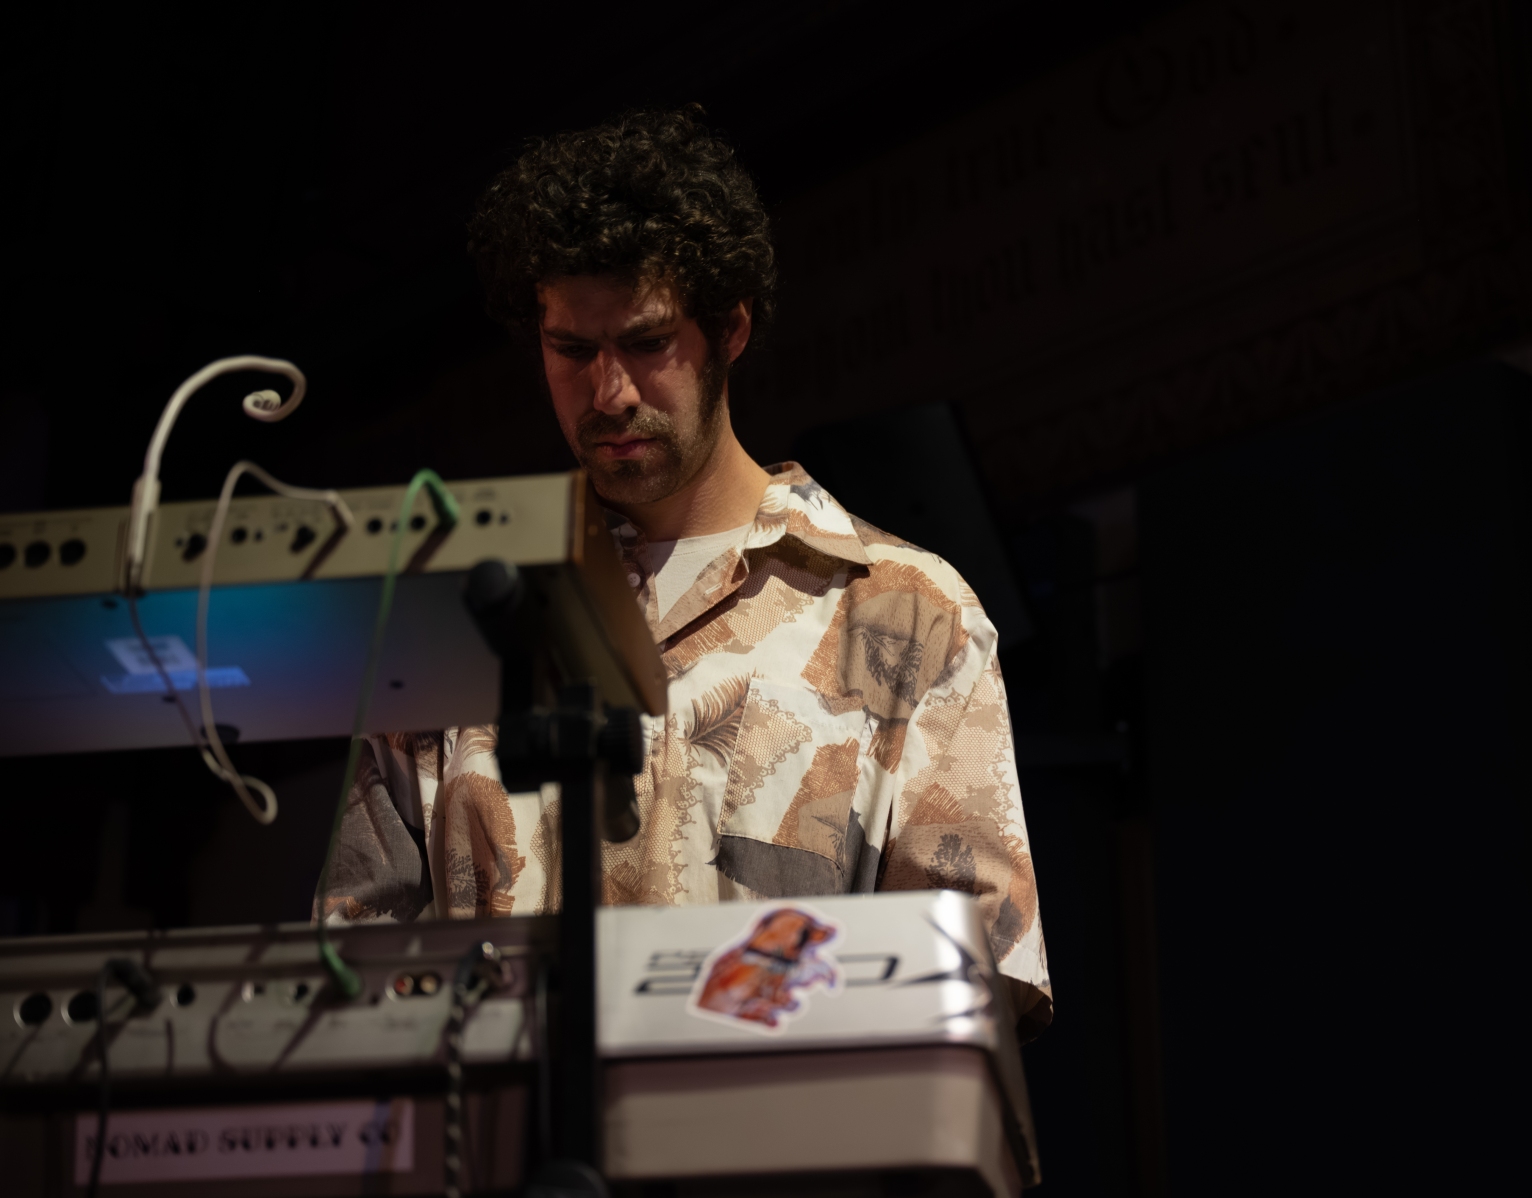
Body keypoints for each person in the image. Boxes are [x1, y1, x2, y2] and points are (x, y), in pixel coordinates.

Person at [319, 106, 1050, 1035]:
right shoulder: (460, 616)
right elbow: (352, 969)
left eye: (647, 342)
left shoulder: (904, 611)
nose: (609, 392)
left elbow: (972, 982)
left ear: (730, 329)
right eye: (572, 351)